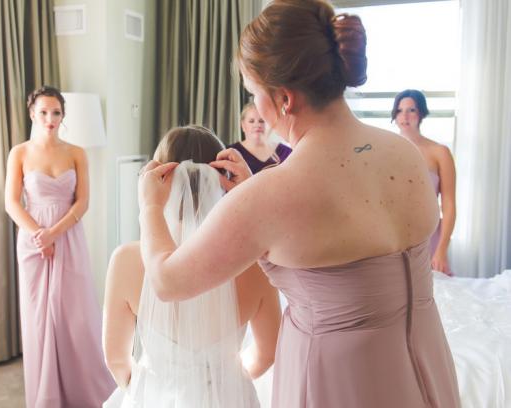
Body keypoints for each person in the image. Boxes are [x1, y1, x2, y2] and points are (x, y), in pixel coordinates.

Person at [137, 1, 461, 407]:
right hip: (423, 358)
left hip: (339, 379)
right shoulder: (406, 154)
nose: (256, 108)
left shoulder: (272, 195)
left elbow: (167, 282)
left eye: (254, 94)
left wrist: (149, 206)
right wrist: (256, 191)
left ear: (284, 99)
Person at [102, 126, 280, 407]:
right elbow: (268, 352)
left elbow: (115, 357)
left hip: (157, 396)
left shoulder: (125, 260)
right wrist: (229, 381)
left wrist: (149, 390)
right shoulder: (255, 263)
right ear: (222, 178)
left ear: (157, 178)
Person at [4, 85, 115, 407]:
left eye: (56, 112)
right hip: (32, 241)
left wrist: (55, 233)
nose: (50, 118)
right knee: (40, 317)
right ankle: (45, 394)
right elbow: (12, 203)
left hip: (68, 237)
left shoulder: (76, 152)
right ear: (32, 114)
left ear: (63, 115)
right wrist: (40, 235)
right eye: (43, 112)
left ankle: (83, 390)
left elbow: (83, 202)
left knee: (74, 315)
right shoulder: (20, 153)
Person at [392, 89, 456, 275]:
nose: (404, 116)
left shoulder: (439, 152)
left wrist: (441, 251)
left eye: (411, 110)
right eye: (399, 110)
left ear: (421, 113)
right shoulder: (385, 151)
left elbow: (449, 204)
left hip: (428, 237)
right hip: (394, 238)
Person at [228, 101, 292, 174]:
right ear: (243, 125)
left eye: (262, 121)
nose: (257, 125)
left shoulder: (288, 153)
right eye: (251, 121)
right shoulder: (230, 152)